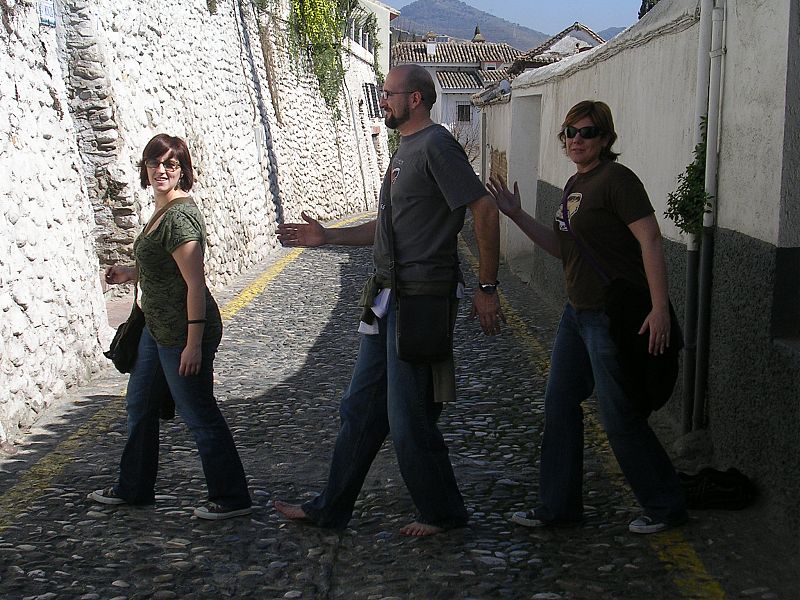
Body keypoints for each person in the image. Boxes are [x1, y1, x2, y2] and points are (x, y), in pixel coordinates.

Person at [273, 64, 503, 536]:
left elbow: (484, 208)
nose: (382, 100)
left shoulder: (436, 145)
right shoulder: (406, 148)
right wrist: (327, 237)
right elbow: (388, 229)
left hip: (420, 300)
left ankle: (443, 512)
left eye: (389, 93)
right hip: (386, 297)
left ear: (415, 99)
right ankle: (330, 508)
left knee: (409, 417)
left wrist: (486, 286)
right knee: (360, 408)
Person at [486, 100, 687, 534]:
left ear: (606, 138)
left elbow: (650, 239)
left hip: (608, 317)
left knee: (618, 415)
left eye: (587, 132)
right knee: (559, 405)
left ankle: (666, 504)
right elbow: (563, 249)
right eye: (570, 133)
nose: (577, 139)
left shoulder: (618, 180)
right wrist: (517, 215)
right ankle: (558, 506)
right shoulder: (575, 185)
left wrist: (658, 308)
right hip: (575, 316)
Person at [89, 134, 252, 520]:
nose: (160, 171)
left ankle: (232, 497)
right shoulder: (161, 210)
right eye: (154, 163)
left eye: (170, 165)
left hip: (182, 331)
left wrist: (193, 344)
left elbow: (195, 283)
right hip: (155, 326)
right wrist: (130, 273)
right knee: (140, 405)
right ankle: (134, 488)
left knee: (197, 411)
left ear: (182, 171)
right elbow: (164, 267)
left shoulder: (179, 216)